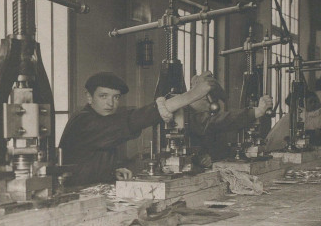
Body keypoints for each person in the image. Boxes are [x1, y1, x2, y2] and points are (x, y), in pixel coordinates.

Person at [58, 71, 220, 186]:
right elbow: (130, 121)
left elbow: (89, 158)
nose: (110, 103)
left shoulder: (100, 118)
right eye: (103, 96)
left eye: (116, 97)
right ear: (88, 97)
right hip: (73, 192)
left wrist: (111, 172)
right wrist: (190, 96)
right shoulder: (83, 121)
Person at [186, 73, 274, 164]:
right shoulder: (191, 116)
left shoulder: (203, 117)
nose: (210, 106)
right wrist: (256, 112)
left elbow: (219, 150)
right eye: (208, 101)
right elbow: (219, 121)